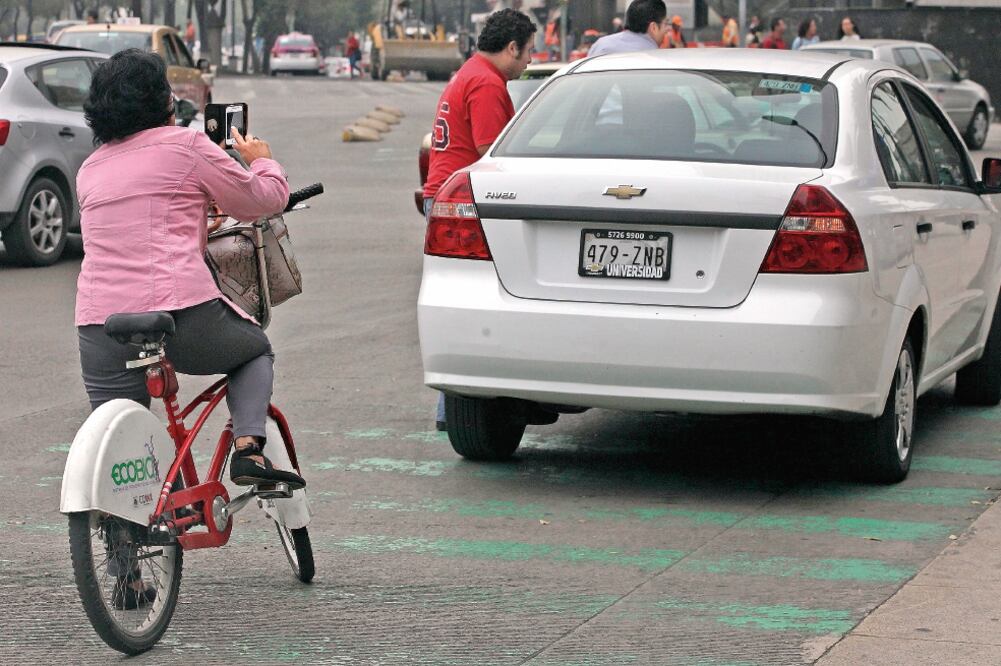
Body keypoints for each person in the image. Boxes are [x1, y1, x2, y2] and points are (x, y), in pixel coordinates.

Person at [77, 50, 305, 507]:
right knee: (254, 351)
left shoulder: (90, 168)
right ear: (160, 102)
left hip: (99, 326)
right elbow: (261, 200)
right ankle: (248, 450)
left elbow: (142, 226)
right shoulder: (185, 145)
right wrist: (262, 161)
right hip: (178, 315)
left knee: (117, 438)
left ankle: (130, 565)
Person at [422, 9, 536, 431]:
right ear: (511, 48)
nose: (528, 62)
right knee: (476, 304)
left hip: (444, 194)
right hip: (467, 203)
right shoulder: (488, 84)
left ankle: (449, 413)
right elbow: (494, 154)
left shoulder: (469, 72)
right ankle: (454, 414)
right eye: (527, 53)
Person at [587, 0, 667, 57]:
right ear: (654, 27)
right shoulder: (655, 57)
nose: (666, 30)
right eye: (665, 24)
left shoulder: (600, 45)